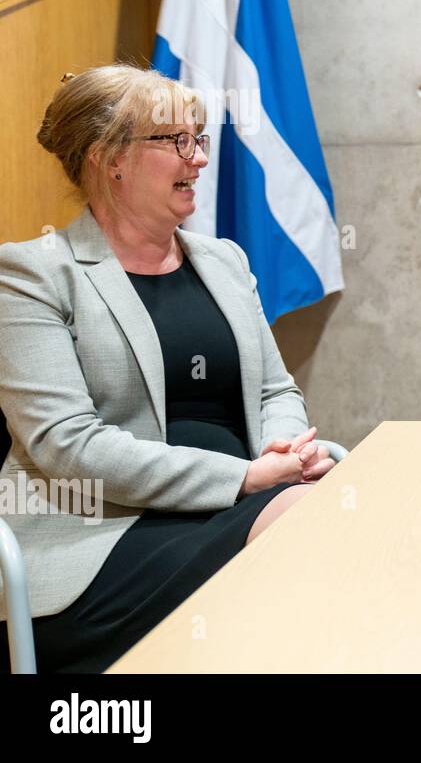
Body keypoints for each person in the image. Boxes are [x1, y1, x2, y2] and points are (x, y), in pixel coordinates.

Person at [0, 65, 335, 673]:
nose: (199, 158)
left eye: (199, 137)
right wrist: (247, 478)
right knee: (308, 532)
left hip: (247, 505)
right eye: (174, 140)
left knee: (342, 515)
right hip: (100, 540)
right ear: (110, 159)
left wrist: (281, 446)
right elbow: (69, 447)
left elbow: (275, 389)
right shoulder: (33, 274)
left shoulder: (224, 259)